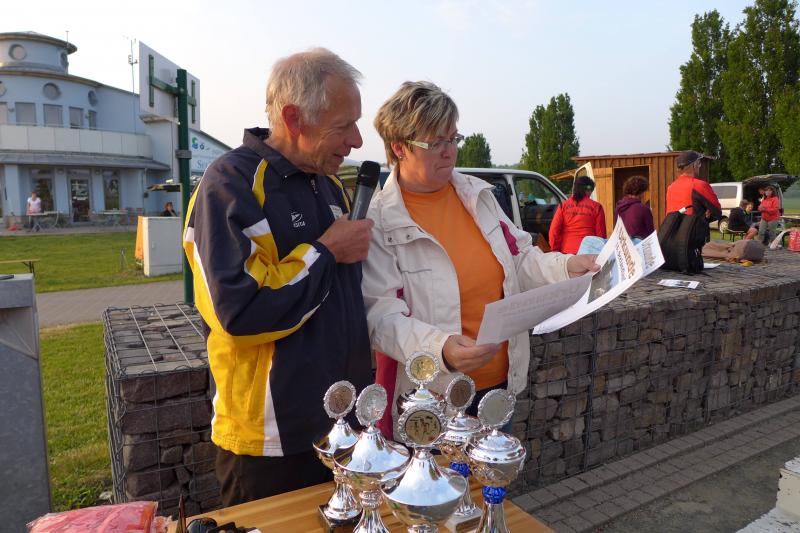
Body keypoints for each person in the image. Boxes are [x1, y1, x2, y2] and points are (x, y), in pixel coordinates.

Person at [182, 48, 373, 506]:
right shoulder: (229, 186)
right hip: (269, 443)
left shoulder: (328, 183)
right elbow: (241, 312)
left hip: (341, 426)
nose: (357, 140)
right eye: (344, 125)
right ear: (293, 118)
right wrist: (326, 251)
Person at [361, 81, 598, 437]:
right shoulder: (380, 220)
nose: (449, 152)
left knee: (495, 471)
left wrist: (566, 266)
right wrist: (441, 349)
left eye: (453, 139)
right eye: (436, 143)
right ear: (399, 147)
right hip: (431, 399)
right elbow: (381, 316)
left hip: (498, 388)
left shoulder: (477, 196)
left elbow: (519, 259)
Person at [548, 176, 607, 254]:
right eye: (591, 190)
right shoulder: (597, 207)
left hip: (566, 252)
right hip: (588, 252)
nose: (591, 193)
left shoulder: (563, 206)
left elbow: (554, 230)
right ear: (588, 189)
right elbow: (600, 235)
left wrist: (555, 249)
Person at [665, 151, 722, 226]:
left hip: (673, 231)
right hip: (693, 231)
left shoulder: (671, 187)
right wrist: (707, 216)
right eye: (699, 163)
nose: (699, 166)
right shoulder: (699, 185)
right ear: (694, 165)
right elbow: (717, 211)